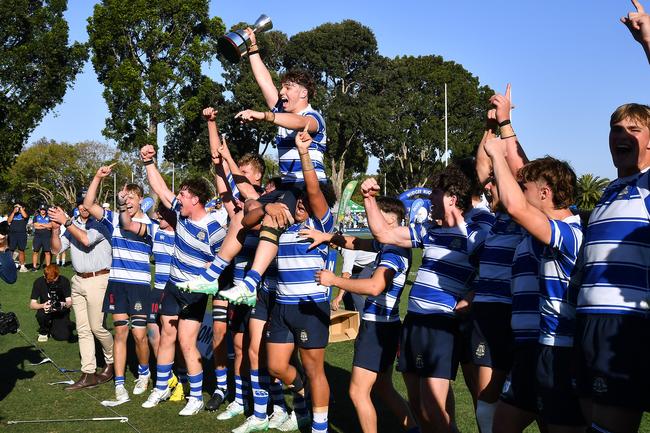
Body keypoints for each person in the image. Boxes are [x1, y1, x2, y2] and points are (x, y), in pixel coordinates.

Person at [212, 26, 327, 307]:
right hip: (288, 186)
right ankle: (212, 273)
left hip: (311, 188)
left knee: (272, 220)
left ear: (304, 93)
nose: (281, 91)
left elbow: (298, 124)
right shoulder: (281, 111)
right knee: (244, 212)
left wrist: (263, 115)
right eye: (282, 87)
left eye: (288, 87)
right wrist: (252, 47)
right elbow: (263, 79)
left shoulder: (313, 118)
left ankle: (250, 283)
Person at [361, 166, 476, 433]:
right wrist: (368, 199)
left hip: (441, 325)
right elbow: (384, 234)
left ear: (451, 198)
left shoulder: (473, 234)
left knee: (434, 410)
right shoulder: (429, 230)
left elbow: (493, 271)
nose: (427, 200)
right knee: (419, 408)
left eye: (434, 193)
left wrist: (472, 296)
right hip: (413, 322)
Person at [485, 132, 584, 432]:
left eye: (523, 188)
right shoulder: (534, 234)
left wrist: (496, 155)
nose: (516, 192)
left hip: (559, 351)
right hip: (532, 348)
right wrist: (504, 125)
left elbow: (516, 207)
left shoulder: (569, 233)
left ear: (545, 193)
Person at [302, 196, 418, 433]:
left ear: (392, 223)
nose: (373, 226)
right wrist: (326, 237)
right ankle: (415, 429)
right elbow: (356, 243)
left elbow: (375, 286)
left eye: (378, 221)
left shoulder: (392, 252)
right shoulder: (390, 244)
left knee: (357, 391)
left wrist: (334, 280)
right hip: (388, 325)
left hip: (377, 328)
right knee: (383, 388)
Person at [573, 103, 650, 433]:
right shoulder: (608, 192)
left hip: (625, 324)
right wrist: (504, 127)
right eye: (616, 129)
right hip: (588, 323)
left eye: (633, 130)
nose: (622, 136)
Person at [139, 144, 227, 416]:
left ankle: (196, 396)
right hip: (172, 286)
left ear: (195, 200)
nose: (178, 198)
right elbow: (162, 189)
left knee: (187, 343)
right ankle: (161, 386)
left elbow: (222, 260)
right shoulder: (181, 213)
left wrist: (211, 267)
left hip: (194, 291)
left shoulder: (214, 229)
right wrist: (149, 163)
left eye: (183, 194)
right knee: (167, 335)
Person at [471, 86, 526, 433]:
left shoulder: (525, 218)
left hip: (518, 313)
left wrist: (506, 123)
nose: (492, 186)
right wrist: (489, 126)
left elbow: (521, 174)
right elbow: (481, 169)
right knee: (485, 398)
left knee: (527, 398)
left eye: (498, 182)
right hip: (486, 312)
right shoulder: (493, 221)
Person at [83, 169, 154, 405]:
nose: (127, 202)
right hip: (118, 283)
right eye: (124, 199)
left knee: (139, 334)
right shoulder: (114, 218)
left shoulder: (148, 225)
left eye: (131, 199)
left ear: (141, 201)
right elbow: (88, 203)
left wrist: (122, 207)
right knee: (121, 333)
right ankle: (120, 383)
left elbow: (127, 222)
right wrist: (98, 177)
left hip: (140, 285)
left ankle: (144, 373)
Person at [49, 200, 114, 391]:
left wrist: (66, 222)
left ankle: (112, 359)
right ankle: (88, 373)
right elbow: (56, 249)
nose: (84, 208)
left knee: (97, 327)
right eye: (81, 205)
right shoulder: (73, 224)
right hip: (78, 280)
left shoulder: (102, 224)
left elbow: (86, 239)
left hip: (99, 278)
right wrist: (55, 230)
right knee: (83, 329)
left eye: (88, 204)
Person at [29, 264, 72, 342]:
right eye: (49, 280)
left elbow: (69, 301)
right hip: (45, 310)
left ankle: (53, 327)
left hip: (60, 311)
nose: (52, 282)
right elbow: (32, 305)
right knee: (41, 315)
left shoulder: (64, 281)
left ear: (58, 275)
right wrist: (43, 305)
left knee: (62, 337)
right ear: (44, 276)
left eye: (54, 280)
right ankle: (44, 331)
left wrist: (63, 304)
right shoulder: (39, 282)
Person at [330, 247, 377, 313]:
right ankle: (350, 318)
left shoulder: (347, 251)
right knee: (346, 290)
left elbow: (346, 275)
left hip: (372, 262)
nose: (331, 244)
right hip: (358, 264)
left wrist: (338, 297)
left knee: (355, 290)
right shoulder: (340, 243)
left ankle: (363, 319)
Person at [8, 202, 28, 272]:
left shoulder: (24, 213)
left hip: (22, 234)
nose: (17, 208)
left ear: (23, 208)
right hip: (12, 234)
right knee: (11, 250)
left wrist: (20, 208)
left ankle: (22, 267)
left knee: (21, 250)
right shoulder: (12, 213)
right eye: (16, 207)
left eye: (19, 207)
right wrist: (13, 212)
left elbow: (25, 216)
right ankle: (8, 266)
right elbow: (9, 221)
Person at [32, 204, 53, 271]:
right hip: (37, 237)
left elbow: (50, 226)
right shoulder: (36, 217)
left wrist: (40, 224)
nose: (42, 211)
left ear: (45, 210)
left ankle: (48, 267)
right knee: (35, 251)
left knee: (47, 252)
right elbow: (35, 226)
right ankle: (34, 267)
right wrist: (46, 225)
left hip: (47, 237)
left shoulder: (49, 217)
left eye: (44, 210)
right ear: (39, 210)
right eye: (41, 210)